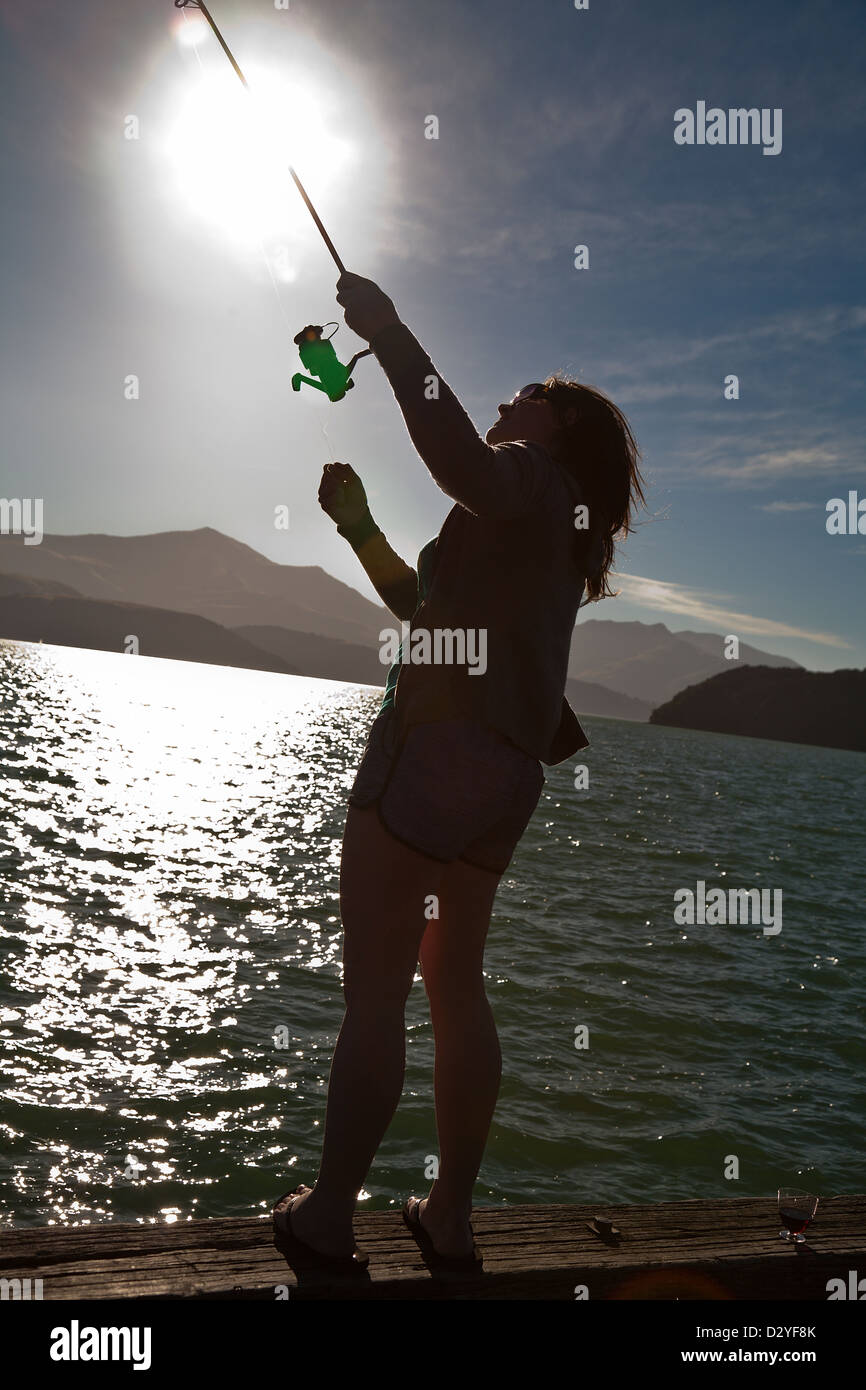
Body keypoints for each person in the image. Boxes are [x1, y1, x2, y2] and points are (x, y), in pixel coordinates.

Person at [273, 272, 645, 1272]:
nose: (505, 403)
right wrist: (355, 527)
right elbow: (422, 605)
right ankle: (449, 1215)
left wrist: (389, 332)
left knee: (372, 995)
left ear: (557, 429)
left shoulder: (527, 476)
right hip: (505, 777)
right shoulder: (552, 535)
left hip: (433, 751)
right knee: (454, 986)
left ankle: (327, 1217)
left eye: (527, 394)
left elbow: (460, 461)